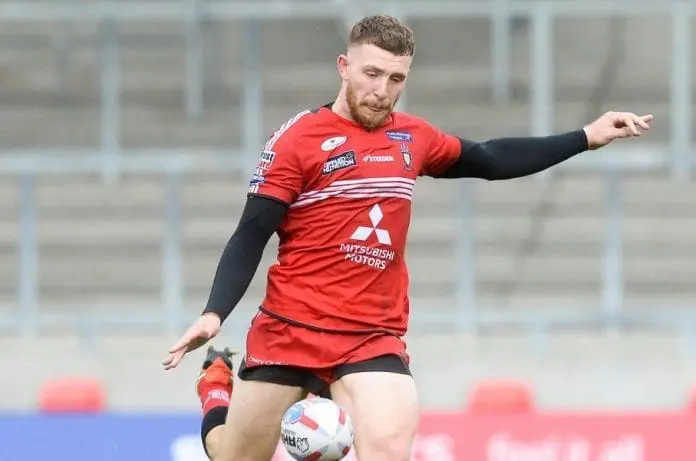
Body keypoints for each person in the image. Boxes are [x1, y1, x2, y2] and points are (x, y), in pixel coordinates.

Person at [162, 14, 652, 461]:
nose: (382, 90)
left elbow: (489, 158)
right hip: (290, 327)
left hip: (371, 336)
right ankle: (215, 385)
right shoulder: (297, 140)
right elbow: (251, 233)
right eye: (372, 74)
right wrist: (214, 313)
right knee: (231, 456)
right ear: (344, 67)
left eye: (396, 79)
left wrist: (585, 136)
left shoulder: (411, 138)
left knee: (390, 452)